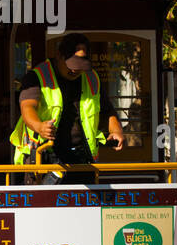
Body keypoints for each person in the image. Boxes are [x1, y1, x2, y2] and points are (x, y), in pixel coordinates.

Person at [11, 33, 123, 184]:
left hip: (82, 159)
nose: (75, 71)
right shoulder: (37, 76)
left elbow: (107, 110)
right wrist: (39, 126)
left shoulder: (92, 78)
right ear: (59, 56)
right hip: (44, 158)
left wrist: (116, 131)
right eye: (71, 65)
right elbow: (27, 107)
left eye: (80, 66)